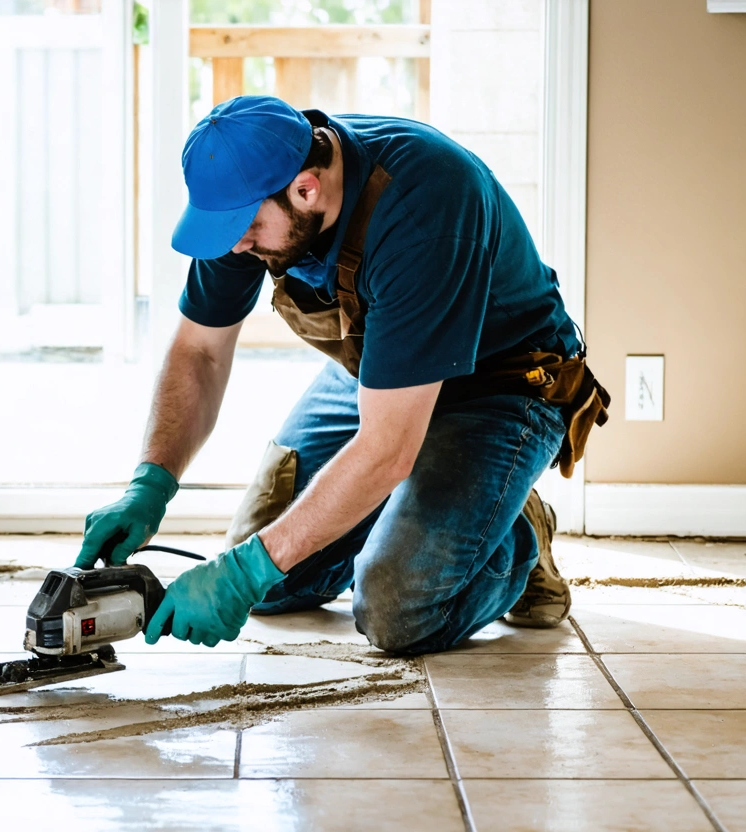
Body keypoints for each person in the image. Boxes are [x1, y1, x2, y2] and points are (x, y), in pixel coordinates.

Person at [74, 95, 608, 655]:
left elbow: (386, 448)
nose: (236, 245)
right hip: (385, 371)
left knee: (395, 608)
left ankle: (517, 535)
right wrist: (150, 485)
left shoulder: (425, 203)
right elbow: (200, 352)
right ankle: (418, 510)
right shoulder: (250, 190)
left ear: (307, 188)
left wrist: (244, 570)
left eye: (249, 228)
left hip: (503, 385)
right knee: (273, 585)